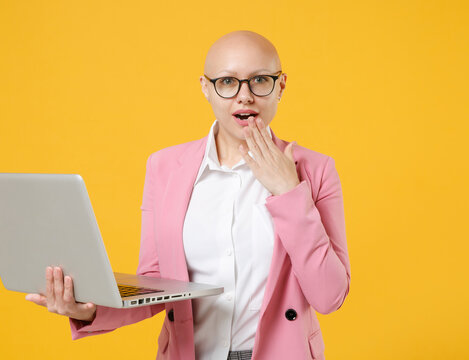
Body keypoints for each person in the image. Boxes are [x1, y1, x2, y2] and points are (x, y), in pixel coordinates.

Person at [25, 30, 351, 360]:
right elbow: (156, 284)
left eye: (260, 80)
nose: (245, 96)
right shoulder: (164, 168)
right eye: (227, 82)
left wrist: (288, 192)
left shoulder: (315, 170)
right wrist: (87, 310)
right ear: (205, 89)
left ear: (280, 86)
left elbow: (329, 295)